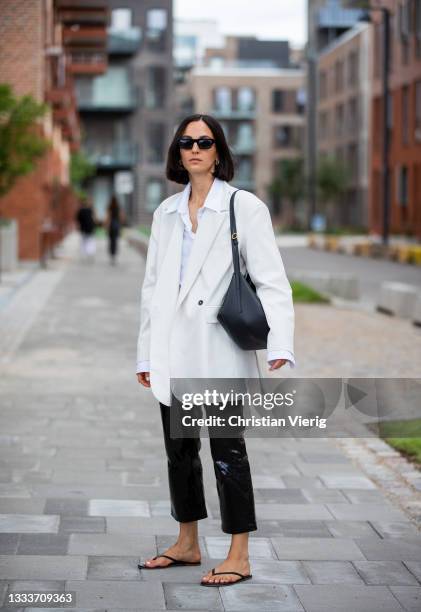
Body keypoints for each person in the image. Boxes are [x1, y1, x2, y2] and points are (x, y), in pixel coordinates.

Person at [135, 113, 295, 586]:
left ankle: (239, 555)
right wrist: (145, 354)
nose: (195, 148)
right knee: (179, 451)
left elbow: (272, 280)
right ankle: (187, 543)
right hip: (171, 350)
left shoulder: (243, 208)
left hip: (218, 348)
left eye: (205, 141)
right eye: (186, 141)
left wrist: (280, 343)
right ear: (178, 152)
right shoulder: (165, 213)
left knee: (228, 451)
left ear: (219, 151)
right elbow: (151, 289)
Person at [75, 196, 96, 262]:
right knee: (85, 241)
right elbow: (78, 219)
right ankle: (85, 253)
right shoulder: (82, 210)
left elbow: (94, 219)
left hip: (89, 228)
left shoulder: (91, 210)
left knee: (89, 241)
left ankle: (88, 253)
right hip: (84, 228)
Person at [105, 195, 125, 265]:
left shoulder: (110, 207)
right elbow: (121, 217)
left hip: (111, 226)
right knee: (115, 241)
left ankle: (112, 255)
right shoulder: (118, 207)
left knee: (111, 241)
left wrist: (106, 226)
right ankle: (114, 255)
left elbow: (108, 218)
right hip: (116, 226)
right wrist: (121, 225)